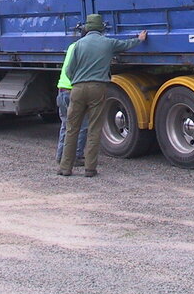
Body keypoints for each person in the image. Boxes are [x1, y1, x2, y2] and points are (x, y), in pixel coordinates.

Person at [57, 14, 146, 178]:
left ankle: (65, 168)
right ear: (101, 28)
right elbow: (126, 45)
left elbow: (69, 70)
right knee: (94, 128)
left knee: (71, 128)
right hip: (98, 88)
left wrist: (77, 80)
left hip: (77, 88)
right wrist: (139, 39)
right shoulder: (107, 43)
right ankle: (90, 169)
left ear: (87, 28)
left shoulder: (77, 45)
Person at [55, 38, 87, 167]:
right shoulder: (85, 48)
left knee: (66, 125)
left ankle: (60, 155)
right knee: (82, 125)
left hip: (62, 89)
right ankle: (76, 156)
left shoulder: (72, 46)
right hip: (74, 91)